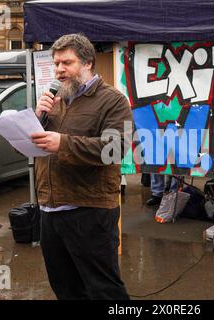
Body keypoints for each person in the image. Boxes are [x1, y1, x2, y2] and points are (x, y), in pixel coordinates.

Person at [31, 33, 131, 300]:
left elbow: (116, 149)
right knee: (65, 288)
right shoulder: (55, 101)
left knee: (103, 290)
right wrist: (37, 119)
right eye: (56, 64)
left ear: (88, 63)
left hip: (90, 211)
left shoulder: (114, 100)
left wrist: (62, 144)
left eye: (67, 62)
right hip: (50, 209)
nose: (59, 70)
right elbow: (38, 145)